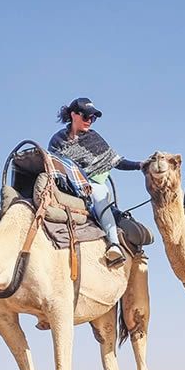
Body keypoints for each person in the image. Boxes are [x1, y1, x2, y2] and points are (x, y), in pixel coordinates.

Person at [47, 97, 143, 266]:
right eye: (86, 117)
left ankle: (114, 244)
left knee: (99, 197)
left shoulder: (93, 138)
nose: (90, 121)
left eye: (93, 118)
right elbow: (53, 165)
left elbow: (115, 161)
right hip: (66, 186)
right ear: (73, 115)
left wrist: (140, 165)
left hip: (93, 185)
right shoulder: (57, 141)